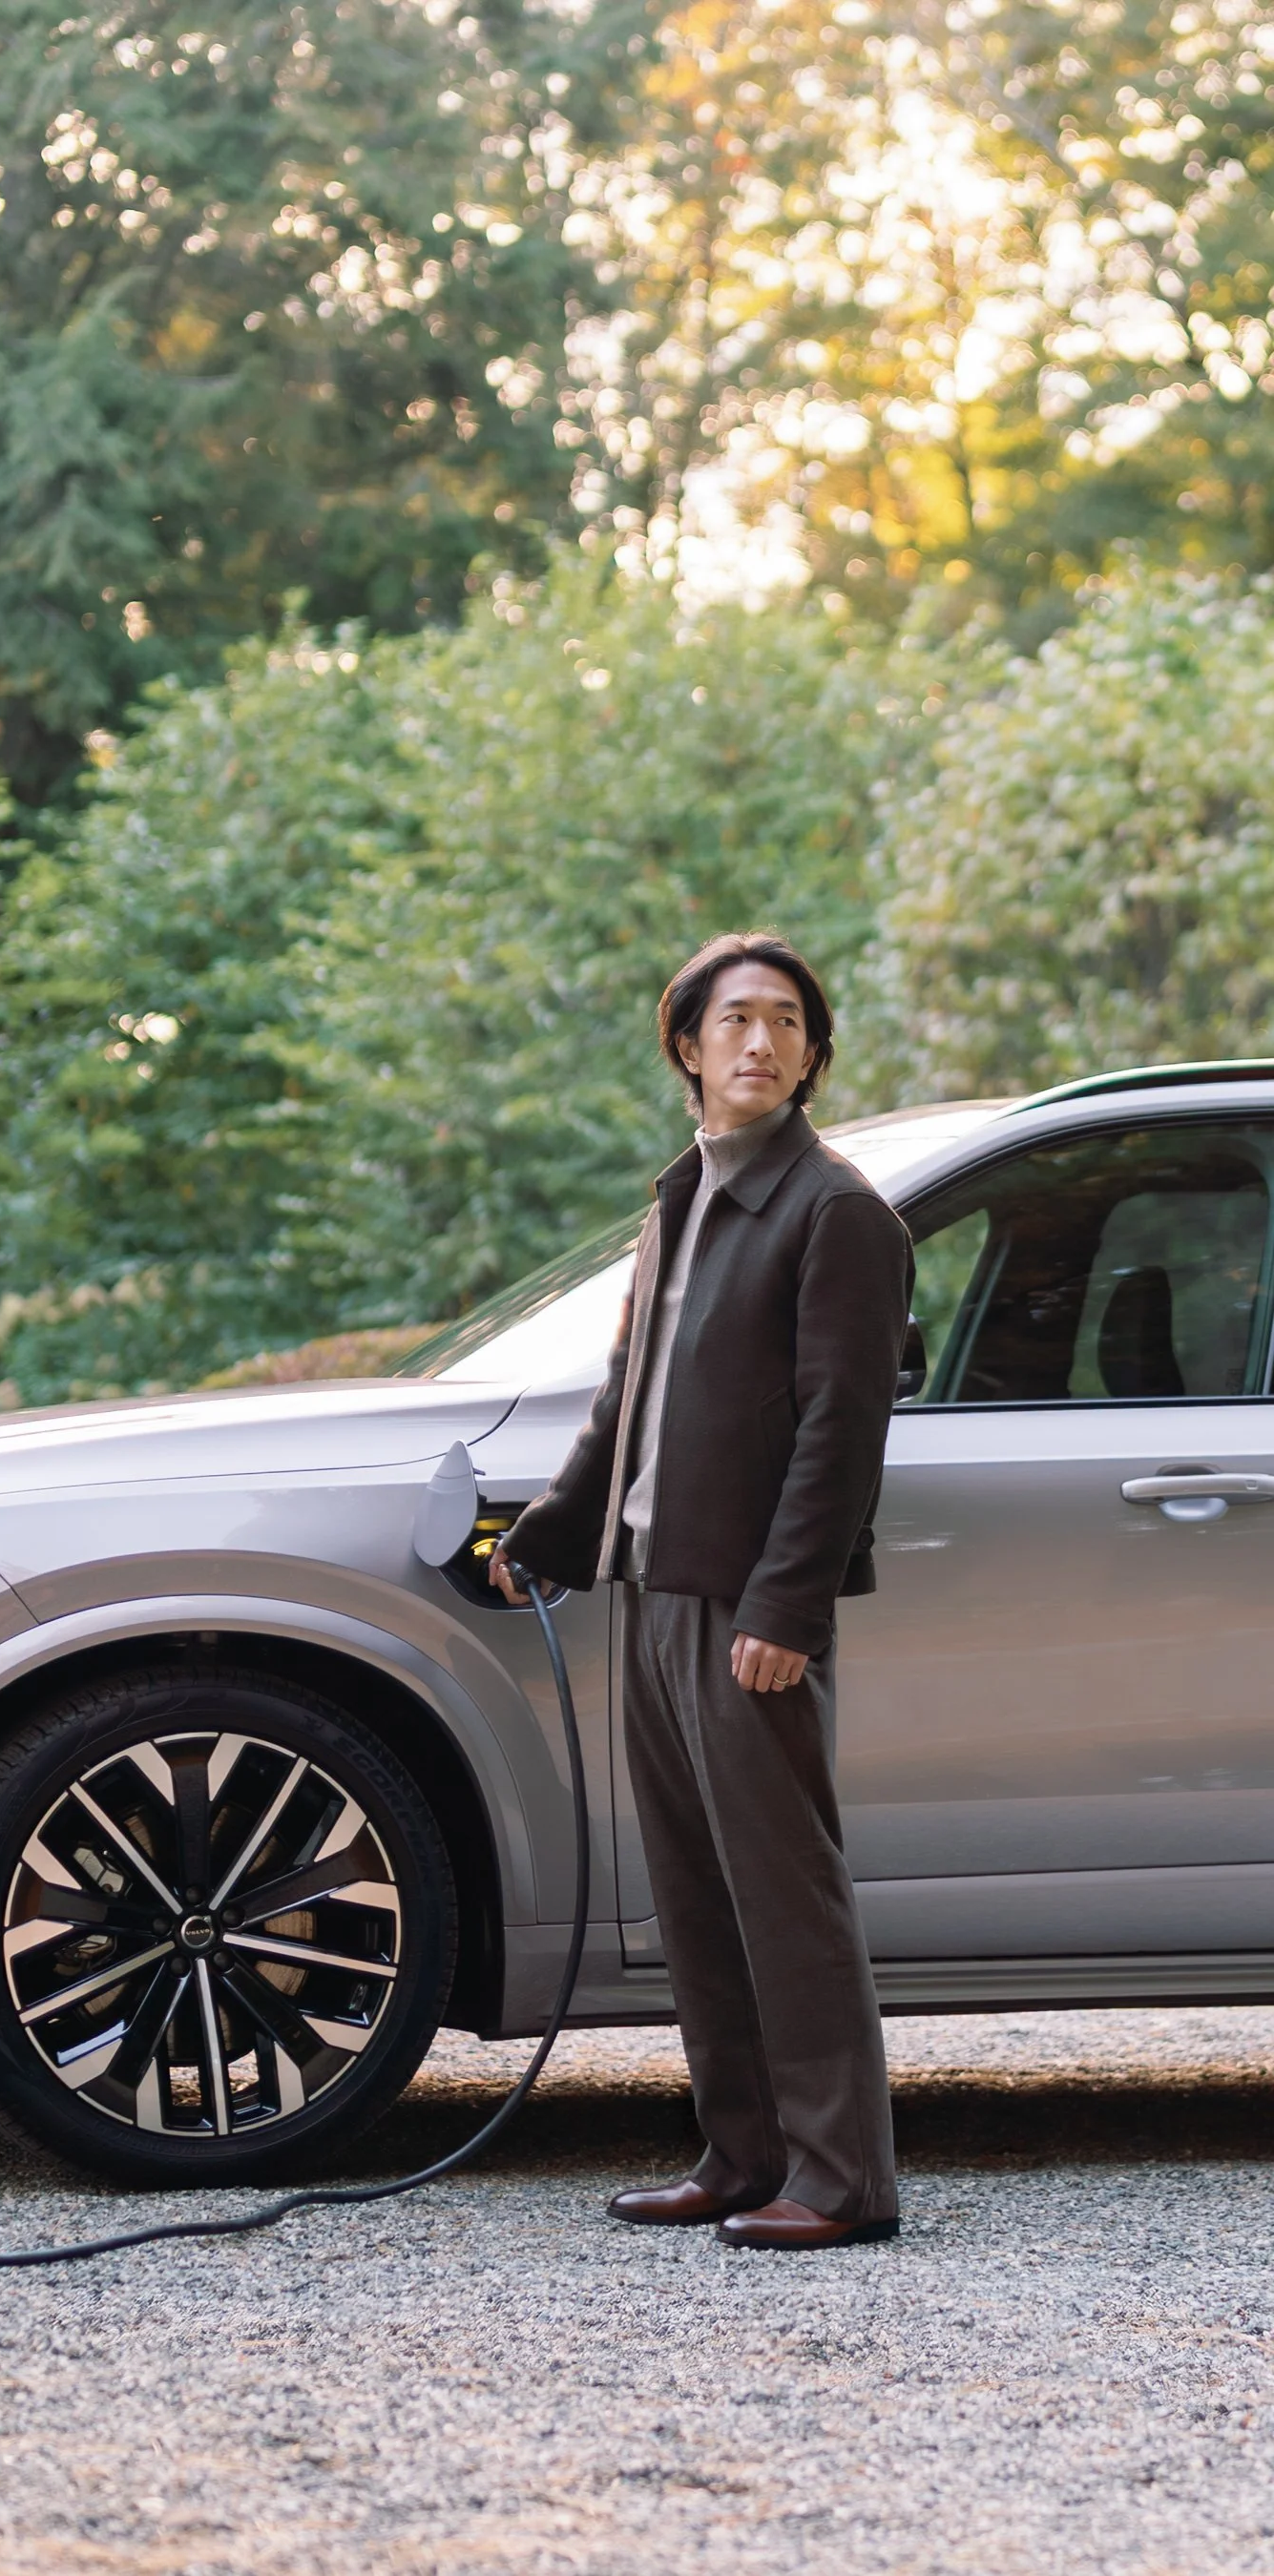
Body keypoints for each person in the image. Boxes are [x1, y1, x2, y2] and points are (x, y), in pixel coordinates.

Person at [491, 931, 912, 2251]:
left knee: (786, 1894)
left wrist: (786, 1610)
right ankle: (740, 2157)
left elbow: (841, 1433)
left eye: (788, 1024)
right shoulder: (681, 1201)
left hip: (749, 1613)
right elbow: (634, 1402)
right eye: (737, 1020)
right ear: (687, 1045)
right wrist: (552, 1537)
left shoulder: (834, 1213)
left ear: (810, 1054)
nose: (762, 1044)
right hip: (656, 1594)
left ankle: (841, 2181)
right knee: (696, 1893)